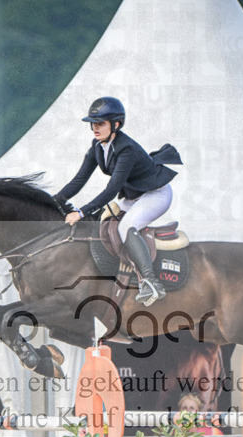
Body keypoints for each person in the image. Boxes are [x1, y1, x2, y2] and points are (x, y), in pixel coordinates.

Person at [53, 96, 182, 307]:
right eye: (93, 123)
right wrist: (55, 200)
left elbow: (112, 190)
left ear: (116, 125)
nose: (95, 128)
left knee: (126, 227)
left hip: (156, 194)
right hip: (135, 196)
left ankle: (150, 281)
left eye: (101, 123)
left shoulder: (126, 149)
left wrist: (82, 212)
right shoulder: (97, 146)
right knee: (104, 221)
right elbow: (79, 180)